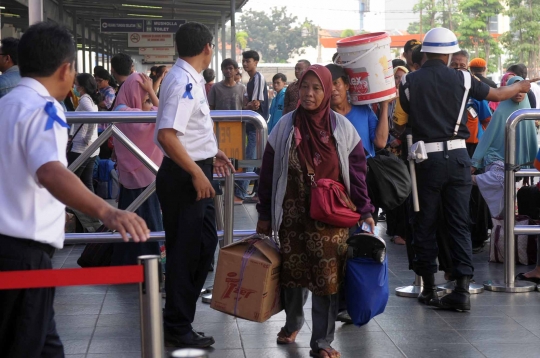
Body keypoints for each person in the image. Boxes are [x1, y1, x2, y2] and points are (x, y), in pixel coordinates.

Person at [0, 21, 149, 358]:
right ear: (66, 69)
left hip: (11, 249)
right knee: (23, 344)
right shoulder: (46, 107)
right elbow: (51, 171)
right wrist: (106, 210)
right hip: (23, 253)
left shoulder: (7, 103)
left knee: (46, 344)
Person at [398, 27, 531, 311]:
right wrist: (519, 87)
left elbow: (406, 115)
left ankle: (429, 287)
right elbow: (496, 92)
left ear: (426, 51)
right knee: (459, 222)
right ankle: (461, 288)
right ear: (448, 53)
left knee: (424, 222)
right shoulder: (463, 78)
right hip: (458, 159)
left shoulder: (408, 81)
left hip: (425, 161)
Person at [256, 65, 374, 358]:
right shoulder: (284, 126)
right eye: (305, 87)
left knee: (327, 277)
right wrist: (264, 214)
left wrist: (365, 209)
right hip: (293, 214)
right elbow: (268, 173)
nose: (309, 94)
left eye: (317, 88)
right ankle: (293, 322)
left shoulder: (342, 128)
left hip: (330, 217)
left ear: (326, 92)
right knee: (293, 273)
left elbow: (358, 173)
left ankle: (321, 341)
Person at [154, 21, 234, 349]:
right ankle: (176, 325)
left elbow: (189, 130)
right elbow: (167, 135)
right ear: (207, 48)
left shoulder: (191, 79)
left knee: (202, 247)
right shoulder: (182, 81)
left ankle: (179, 318)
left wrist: (210, 152)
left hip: (195, 170)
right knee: (186, 252)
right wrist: (197, 173)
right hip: (185, 177)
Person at [111, 72, 163, 265]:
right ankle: (151, 264)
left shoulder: (120, 109)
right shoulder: (130, 114)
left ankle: (128, 264)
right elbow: (163, 113)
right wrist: (152, 89)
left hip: (128, 178)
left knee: (129, 223)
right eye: (143, 94)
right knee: (148, 223)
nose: (145, 99)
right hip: (146, 178)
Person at [472, 76, 538, 218]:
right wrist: (475, 161)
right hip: (497, 156)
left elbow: (530, 139)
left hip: (518, 162)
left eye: (522, 90)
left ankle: (507, 231)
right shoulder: (501, 112)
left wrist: (528, 170)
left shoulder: (527, 111)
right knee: (500, 180)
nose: (519, 93)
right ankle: (474, 180)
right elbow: (487, 137)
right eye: (515, 90)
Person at [325, 64, 389, 158]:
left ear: (346, 85)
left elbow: (380, 142)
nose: (332, 89)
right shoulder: (323, 118)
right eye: (327, 86)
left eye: (336, 83)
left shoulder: (364, 110)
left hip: (366, 169)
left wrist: (384, 105)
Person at [242, 50, 268, 203]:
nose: (245, 64)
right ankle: (257, 192)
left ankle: (241, 192)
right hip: (254, 125)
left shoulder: (258, 78)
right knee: (257, 160)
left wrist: (245, 107)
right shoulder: (251, 80)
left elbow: (255, 104)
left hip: (257, 126)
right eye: (244, 61)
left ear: (256, 62)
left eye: (248, 61)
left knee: (251, 159)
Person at [67, 73, 102, 192]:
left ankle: (68, 209)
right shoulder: (92, 99)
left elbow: (92, 117)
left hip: (81, 148)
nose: (74, 87)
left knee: (70, 180)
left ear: (82, 87)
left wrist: (87, 138)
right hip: (92, 147)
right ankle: (93, 210)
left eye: (76, 84)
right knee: (87, 182)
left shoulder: (84, 100)